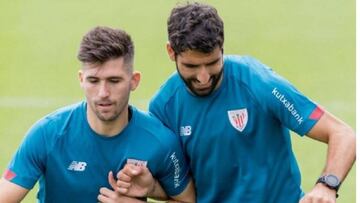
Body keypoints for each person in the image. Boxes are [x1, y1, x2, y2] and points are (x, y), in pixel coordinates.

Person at [112, 2, 356, 203]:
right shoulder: (164, 108)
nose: (204, 77)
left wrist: (327, 185)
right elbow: (182, 193)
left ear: (222, 48)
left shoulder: (259, 83)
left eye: (212, 63)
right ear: (171, 52)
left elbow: (343, 134)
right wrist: (152, 188)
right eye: (191, 66)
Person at [0, 26, 195, 203]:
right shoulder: (47, 134)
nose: (103, 93)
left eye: (114, 80)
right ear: (81, 79)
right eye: (93, 81)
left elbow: (188, 201)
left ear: (134, 81)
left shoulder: (160, 142)